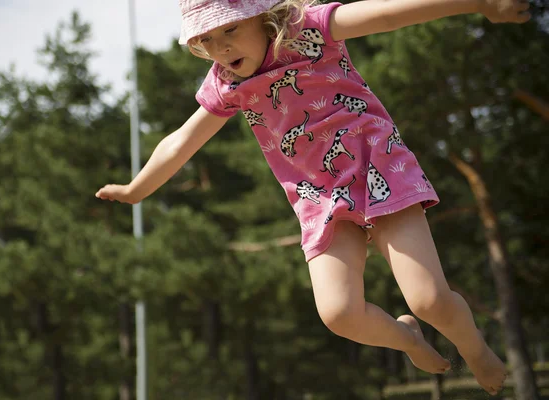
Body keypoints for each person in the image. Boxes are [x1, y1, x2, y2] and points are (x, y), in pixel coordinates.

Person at [96, 0, 530, 394]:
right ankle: (407, 339)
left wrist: (478, 3)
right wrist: (138, 188)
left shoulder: (310, 28)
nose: (221, 48)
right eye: (207, 39)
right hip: (319, 198)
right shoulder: (225, 83)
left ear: (262, 16)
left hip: (379, 168)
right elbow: (181, 141)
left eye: (229, 30)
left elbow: (389, 13)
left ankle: (475, 350)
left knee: (429, 300)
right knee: (339, 313)